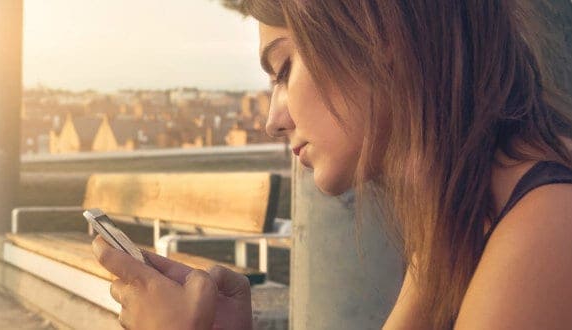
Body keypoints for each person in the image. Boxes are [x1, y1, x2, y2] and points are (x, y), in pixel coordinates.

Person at [92, 0, 572, 328]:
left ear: (378, 35)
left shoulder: (548, 232)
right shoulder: (458, 222)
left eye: (283, 69)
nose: (272, 121)